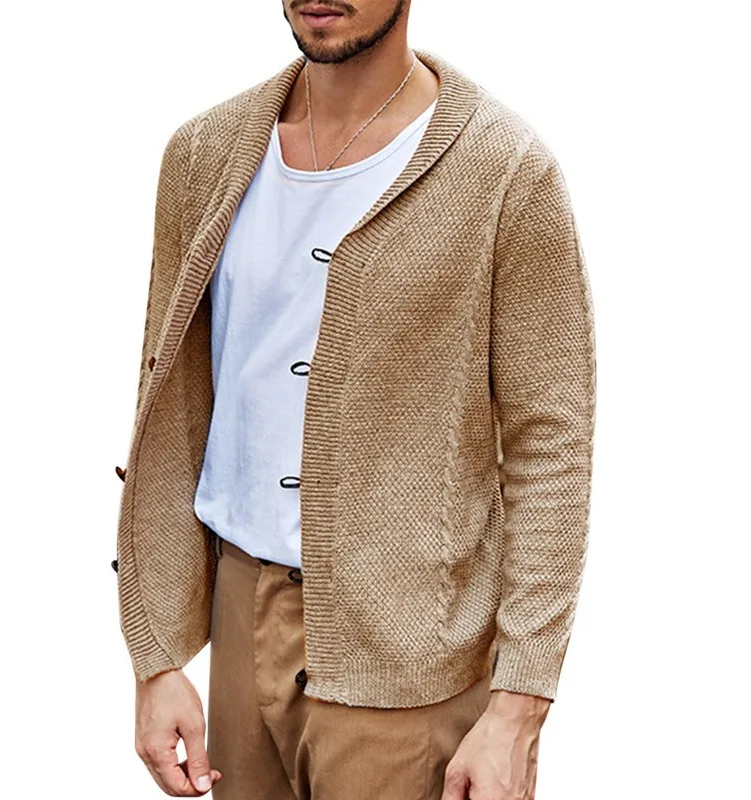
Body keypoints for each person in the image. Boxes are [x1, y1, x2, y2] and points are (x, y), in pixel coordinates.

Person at [113, 1, 597, 798]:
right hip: (240, 614)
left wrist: (518, 710)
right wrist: (156, 655)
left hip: (412, 659)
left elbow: (552, 446)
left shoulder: (506, 170)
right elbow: (173, 405)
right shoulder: (205, 152)